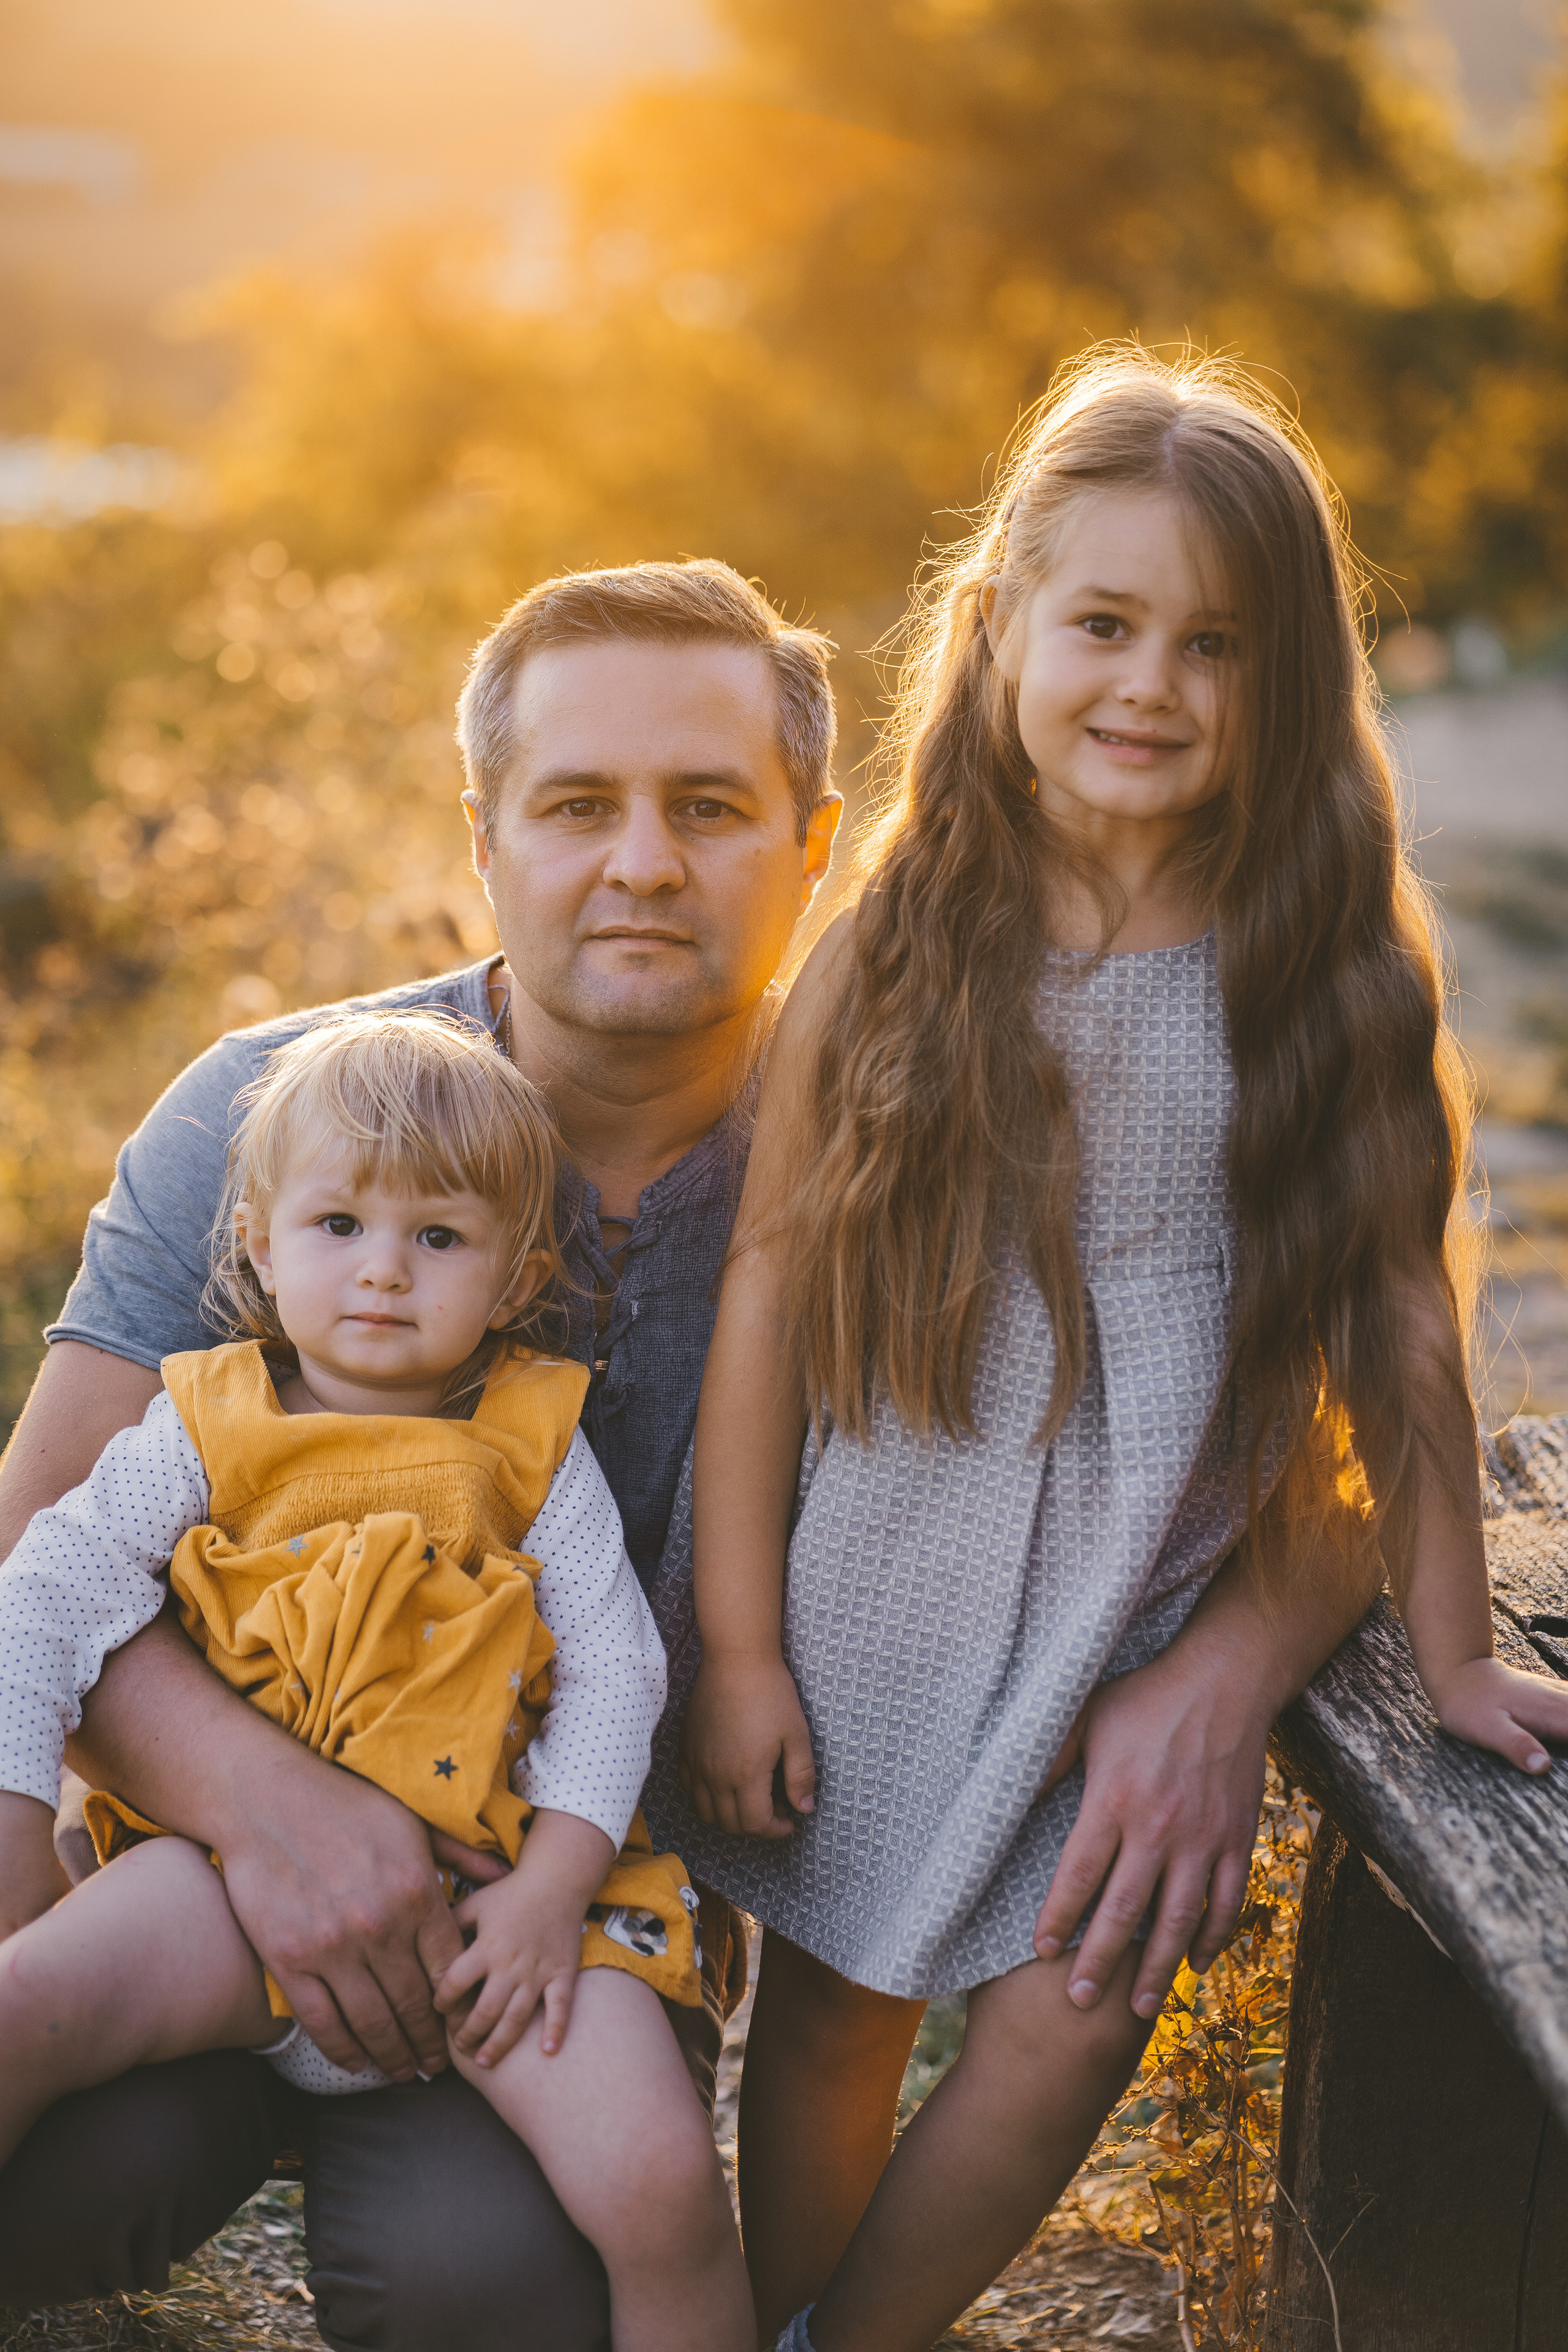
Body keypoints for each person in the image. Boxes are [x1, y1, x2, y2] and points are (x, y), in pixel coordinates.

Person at [0, 557, 1370, 2348]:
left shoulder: (917, 1146)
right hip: (195, 1868)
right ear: (483, 838)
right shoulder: (286, 1124)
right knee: (59, 2159)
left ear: (814, 849)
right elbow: (37, 1558)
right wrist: (277, 1816)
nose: (643, 862)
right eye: (578, 805)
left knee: (518, 2295)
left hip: (548, 1923)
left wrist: (1223, 1673)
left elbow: (1343, 1444)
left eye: (709, 808)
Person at [666, 352, 1568, 2351]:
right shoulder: (899, 938)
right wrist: (734, 1644)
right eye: (1104, 624)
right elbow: (767, 1297)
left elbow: (1402, 1328)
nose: (1152, 683)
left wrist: (1454, 1654)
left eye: (1214, 644)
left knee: (1082, 2005)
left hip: (1137, 1607)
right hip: (878, 1586)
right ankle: (776, 2311)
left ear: (1290, 678)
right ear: (1000, 627)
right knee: (830, 2013)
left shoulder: (1324, 967)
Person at [0, 1009, 753, 2352]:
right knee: (21, 2011)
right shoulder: (209, 1420)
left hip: (497, 1909)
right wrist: (13, 1812)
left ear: (517, 1277)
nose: (384, 1272)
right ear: (257, 1244)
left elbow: (614, 1669)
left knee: (661, 2185)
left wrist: (552, 1893)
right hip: (224, 1888)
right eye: (339, 1225)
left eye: (440, 1237)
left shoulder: (530, 1438)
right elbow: (48, 1591)